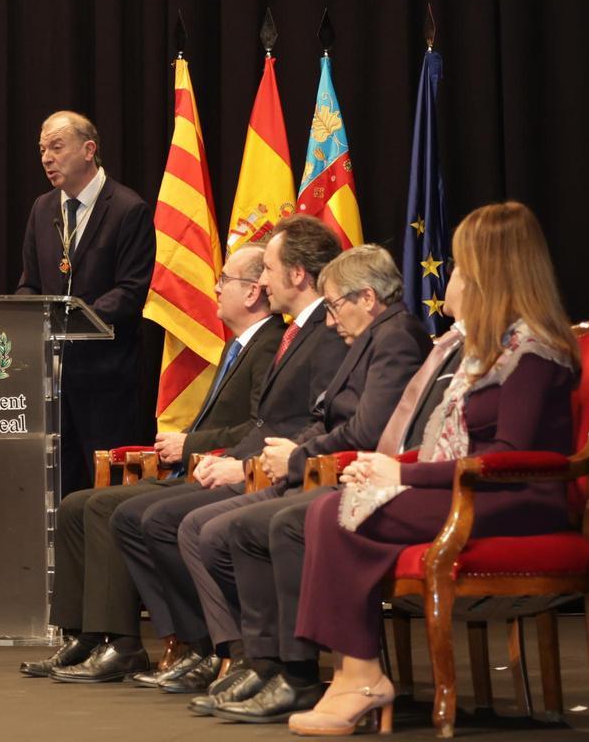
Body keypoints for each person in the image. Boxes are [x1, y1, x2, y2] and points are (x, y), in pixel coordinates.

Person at [289, 201, 580, 736]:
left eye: (462, 266)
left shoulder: (533, 349)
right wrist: (382, 467)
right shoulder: (478, 350)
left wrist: (402, 477)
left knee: (332, 515)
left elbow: (509, 454)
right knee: (330, 511)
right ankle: (353, 673)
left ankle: (358, 677)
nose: (453, 276)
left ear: (492, 272)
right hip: (472, 489)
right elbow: (448, 447)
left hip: (516, 498)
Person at [185, 246, 435, 720]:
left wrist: (297, 457)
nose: (331, 318)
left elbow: (366, 431)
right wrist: (289, 454)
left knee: (264, 526)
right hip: (325, 466)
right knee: (221, 530)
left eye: (336, 305)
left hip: (358, 475)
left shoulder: (395, 337)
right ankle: (266, 662)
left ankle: (296, 673)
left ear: (367, 298)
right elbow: (327, 418)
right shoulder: (366, 338)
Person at [107, 215, 347, 691]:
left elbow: (312, 422)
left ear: (297, 274)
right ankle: (222, 650)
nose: (262, 281)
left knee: (175, 521)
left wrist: (243, 463)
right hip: (258, 460)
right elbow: (266, 421)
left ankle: (240, 655)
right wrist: (231, 457)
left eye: (269, 270)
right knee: (140, 516)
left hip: (291, 470)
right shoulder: (298, 332)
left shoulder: (321, 332)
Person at [24, 245, 284, 683]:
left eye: (226, 280)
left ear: (254, 292)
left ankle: (123, 643)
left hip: (219, 470)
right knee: (74, 504)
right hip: (194, 466)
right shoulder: (237, 346)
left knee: (108, 508)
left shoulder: (270, 345)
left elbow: (258, 428)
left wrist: (190, 444)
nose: (215, 287)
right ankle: (83, 634)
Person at [16, 111, 156, 496]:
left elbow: (131, 291)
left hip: (106, 380)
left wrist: (72, 320)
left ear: (89, 149)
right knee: (58, 489)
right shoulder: (42, 209)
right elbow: (29, 284)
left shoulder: (128, 209)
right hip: (51, 380)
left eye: (56, 147)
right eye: (42, 149)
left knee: (104, 490)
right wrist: (24, 316)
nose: (46, 158)